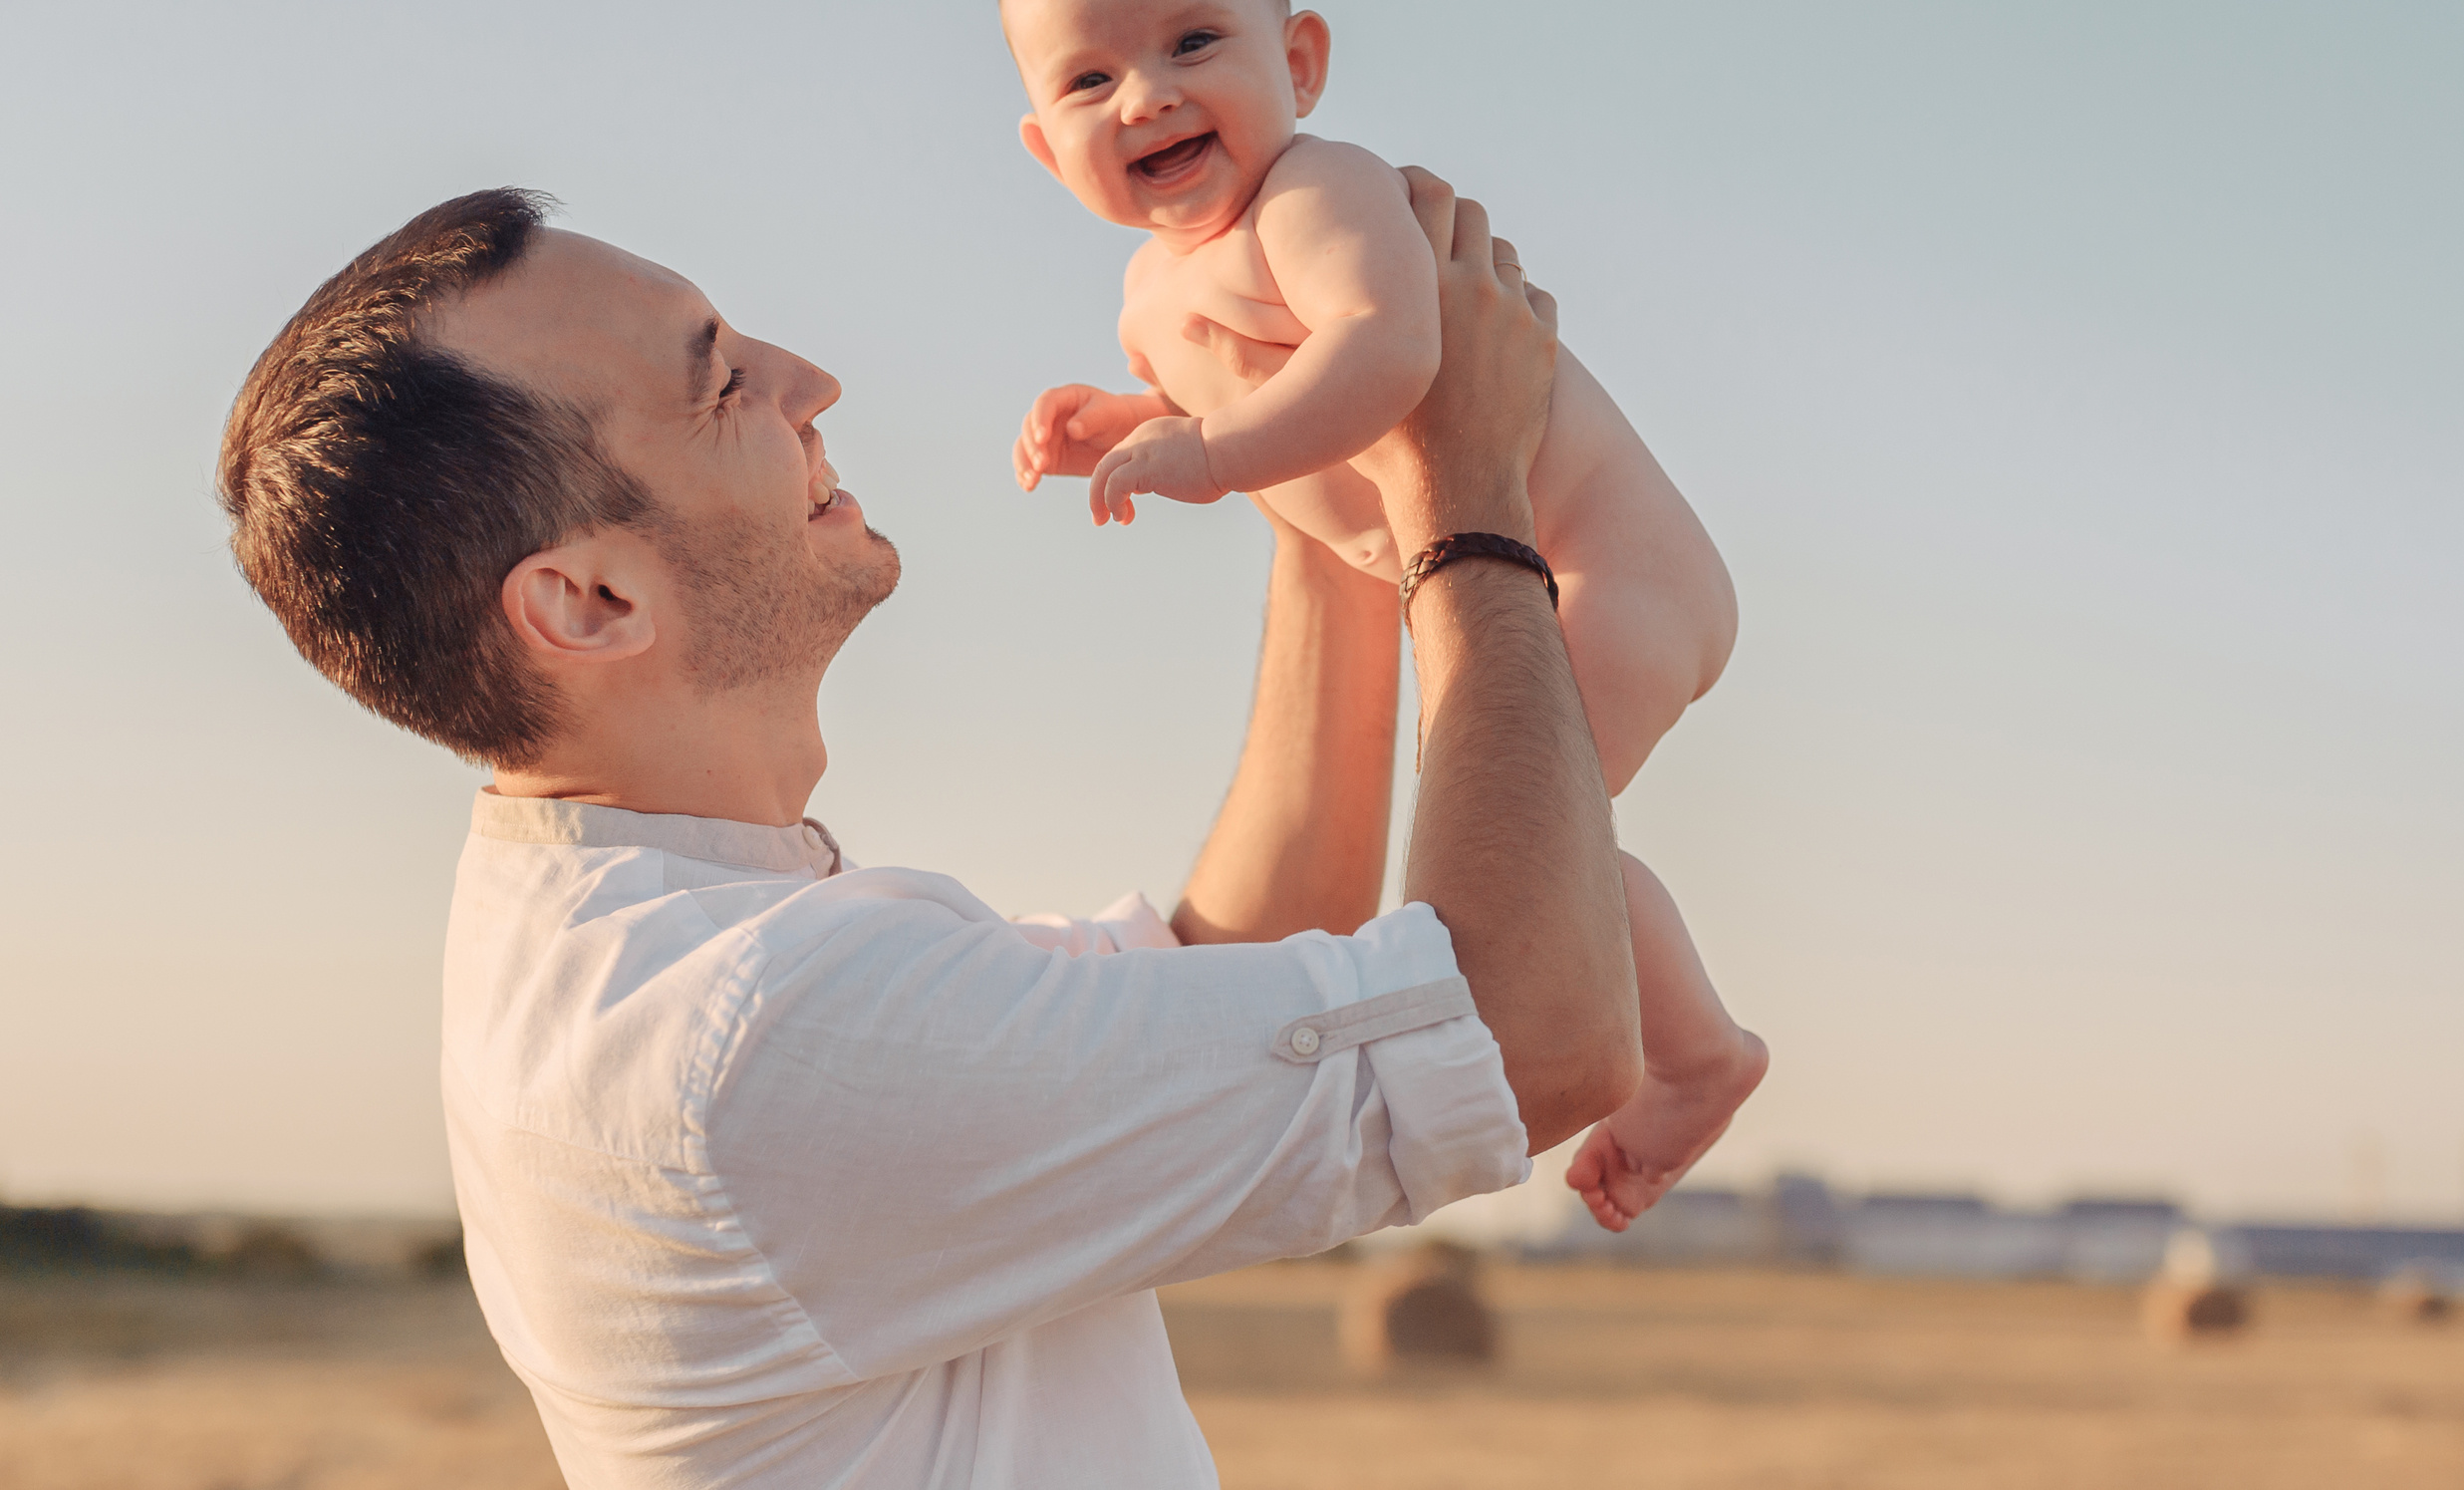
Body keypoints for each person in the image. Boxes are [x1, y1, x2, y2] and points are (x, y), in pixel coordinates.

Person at [216, 171, 1641, 1486]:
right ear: (588, 603)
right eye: (721, 384)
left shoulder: (642, 937)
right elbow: (1531, 1034)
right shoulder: (750, 1036)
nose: (810, 381)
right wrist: (1466, 493)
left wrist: (1315, 464)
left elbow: (1254, 952)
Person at [1000, 0, 1766, 1227]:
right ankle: (1691, 1044)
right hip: (1508, 572)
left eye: (1194, 43)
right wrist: (1122, 422)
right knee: (1528, 830)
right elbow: (1224, 391)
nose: (1147, 96)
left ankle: (1695, 1053)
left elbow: (1389, 349)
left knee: (1534, 844)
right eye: (1090, 80)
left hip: (1606, 565)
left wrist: (1216, 459)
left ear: (1298, 63)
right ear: (1046, 151)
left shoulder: (1316, 193)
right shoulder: (1151, 284)